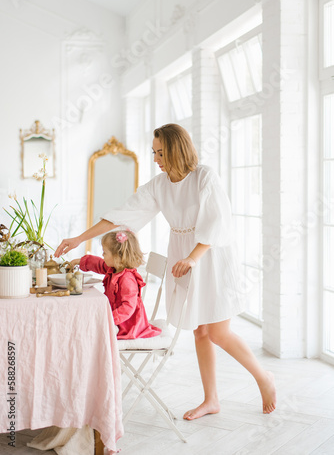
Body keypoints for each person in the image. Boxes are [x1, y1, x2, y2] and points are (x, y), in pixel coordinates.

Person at [55, 123, 276, 418]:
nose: (156, 158)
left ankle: (264, 377)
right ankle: (211, 399)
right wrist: (79, 239)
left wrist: (194, 258)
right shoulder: (159, 185)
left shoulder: (204, 177)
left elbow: (217, 221)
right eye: (154, 152)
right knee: (199, 331)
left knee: (219, 331)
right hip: (182, 256)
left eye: (161, 152)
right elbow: (121, 215)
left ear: (176, 149)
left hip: (209, 255)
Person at [69, 230, 161, 340]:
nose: (102, 255)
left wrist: (108, 319)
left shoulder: (127, 279)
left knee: (89, 331)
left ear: (117, 257)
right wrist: (78, 261)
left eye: (105, 253)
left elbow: (128, 307)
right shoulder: (114, 268)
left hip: (127, 324)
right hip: (115, 318)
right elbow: (98, 264)